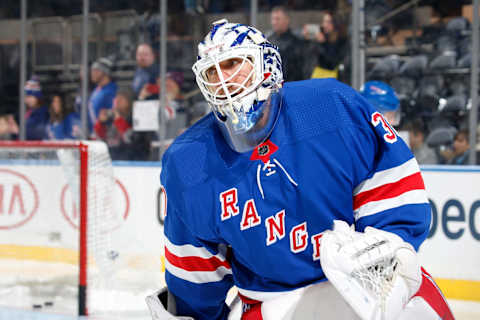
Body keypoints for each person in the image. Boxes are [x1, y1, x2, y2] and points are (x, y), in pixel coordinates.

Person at [148, 20, 454, 320]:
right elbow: (196, 276)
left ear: (266, 64)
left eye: (231, 64)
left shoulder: (330, 107)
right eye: (212, 71)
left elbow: (394, 191)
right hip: (271, 302)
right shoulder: (189, 161)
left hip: (370, 283)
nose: (222, 80)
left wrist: (384, 254)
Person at [94, 90, 152, 160]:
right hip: (111, 158)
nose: (117, 101)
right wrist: (101, 123)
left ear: (129, 102)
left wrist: (118, 120)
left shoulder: (135, 118)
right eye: (116, 99)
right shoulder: (110, 117)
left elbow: (130, 138)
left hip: (131, 160)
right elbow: (99, 137)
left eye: (121, 99)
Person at [303, 11, 348, 79]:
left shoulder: (343, 42)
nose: (325, 25)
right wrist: (307, 41)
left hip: (334, 81)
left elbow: (333, 63)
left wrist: (323, 44)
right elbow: (308, 60)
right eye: (324, 22)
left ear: (336, 24)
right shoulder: (320, 38)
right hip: (316, 80)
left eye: (328, 22)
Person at [267, 6, 305, 81]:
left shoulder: (297, 42)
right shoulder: (268, 40)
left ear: (287, 20)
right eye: (273, 19)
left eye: (277, 19)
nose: (274, 22)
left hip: (291, 85)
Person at [88, 57, 117, 135]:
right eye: (92, 70)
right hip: (94, 135)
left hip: (105, 137)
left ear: (105, 72)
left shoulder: (111, 91)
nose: (92, 73)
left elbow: (113, 116)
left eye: (96, 70)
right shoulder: (97, 89)